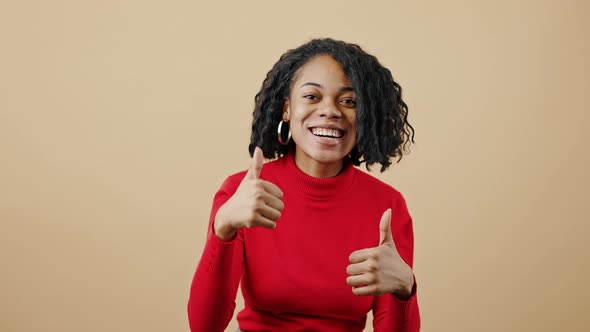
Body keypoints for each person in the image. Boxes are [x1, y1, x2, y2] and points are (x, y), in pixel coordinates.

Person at [187, 38, 420, 331]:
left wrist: (404, 289)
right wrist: (222, 230)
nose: (330, 111)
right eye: (312, 97)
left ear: (363, 116)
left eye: (349, 101)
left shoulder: (387, 206)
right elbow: (203, 326)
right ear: (286, 108)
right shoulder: (245, 192)